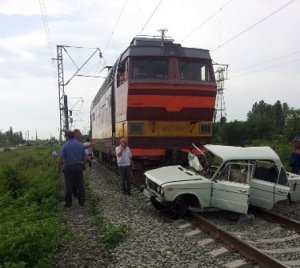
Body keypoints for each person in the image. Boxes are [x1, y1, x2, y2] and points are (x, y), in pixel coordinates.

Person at [57, 129, 86, 207]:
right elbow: (84, 157)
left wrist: (59, 169)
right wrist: (84, 166)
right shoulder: (80, 145)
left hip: (68, 168)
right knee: (80, 185)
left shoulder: (65, 146)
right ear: (74, 136)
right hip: (78, 167)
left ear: (67, 137)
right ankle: (82, 201)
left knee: (69, 185)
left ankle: (68, 203)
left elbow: (60, 159)